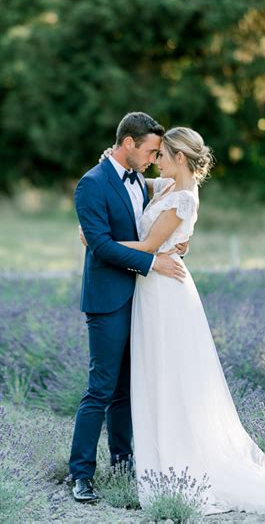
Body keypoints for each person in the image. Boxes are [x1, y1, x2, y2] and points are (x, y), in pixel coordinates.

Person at [119, 126, 265, 515]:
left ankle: (179, 467)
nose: (156, 162)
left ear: (180, 158)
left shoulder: (182, 198)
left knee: (171, 378)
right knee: (157, 376)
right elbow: (138, 182)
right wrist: (112, 158)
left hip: (166, 293)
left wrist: (99, 242)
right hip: (152, 291)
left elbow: (149, 247)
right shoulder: (166, 187)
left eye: (162, 155)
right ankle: (161, 461)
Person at [69, 112, 188, 504]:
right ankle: (81, 474)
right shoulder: (92, 184)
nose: (156, 158)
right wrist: (154, 261)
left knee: (126, 390)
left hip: (142, 298)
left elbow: (169, 213)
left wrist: (171, 247)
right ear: (129, 144)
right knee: (101, 388)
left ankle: (123, 464)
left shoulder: (142, 180)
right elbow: (100, 246)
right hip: (108, 298)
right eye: (151, 150)